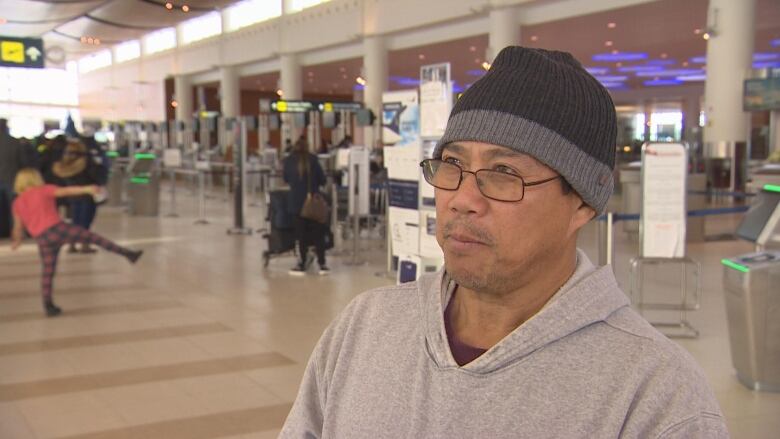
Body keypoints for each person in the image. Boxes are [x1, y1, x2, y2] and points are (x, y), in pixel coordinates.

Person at [280, 47, 728, 438]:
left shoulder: (656, 394)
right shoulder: (365, 327)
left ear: (583, 203)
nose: (462, 199)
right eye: (451, 163)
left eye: (504, 173)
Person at [10, 168, 143, 317]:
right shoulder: (44, 190)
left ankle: (48, 305)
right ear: (36, 179)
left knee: (48, 272)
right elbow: (68, 191)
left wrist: (17, 241)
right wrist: (87, 189)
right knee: (93, 238)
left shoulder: (17, 202)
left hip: (42, 239)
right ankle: (128, 254)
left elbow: (17, 227)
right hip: (57, 229)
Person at [282, 137, 329, 276]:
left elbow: (286, 179)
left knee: (300, 236)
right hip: (312, 203)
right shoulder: (313, 160)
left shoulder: (289, 160)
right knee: (318, 235)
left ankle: (302, 264)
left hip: (296, 204)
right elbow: (322, 179)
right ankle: (322, 264)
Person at [51, 140, 105, 253]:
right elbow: (97, 176)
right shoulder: (86, 163)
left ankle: (72, 244)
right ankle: (85, 245)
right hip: (87, 195)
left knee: (74, 221)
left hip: (71, 197)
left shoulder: (65, 165)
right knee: (85, 222)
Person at [0, 118, 22, 238]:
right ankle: (14, 232)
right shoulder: (14, 142)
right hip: (11, 179)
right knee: (14, 208)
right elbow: (21, 161)